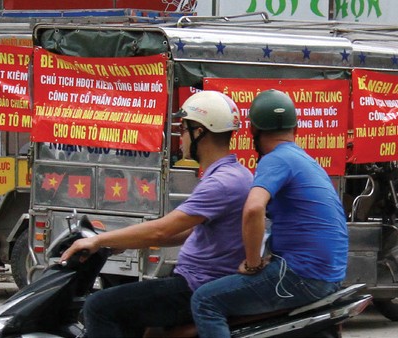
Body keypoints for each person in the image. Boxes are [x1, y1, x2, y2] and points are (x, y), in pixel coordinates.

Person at [59, 90, 253, 337]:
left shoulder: (222, 183)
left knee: (98, 306)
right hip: (198, 279)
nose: (180, 138)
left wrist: (98, 240)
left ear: (200, 132)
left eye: (183, 130)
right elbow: (184, 231)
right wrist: (123, 242)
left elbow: (163, 229)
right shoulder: (234, 174)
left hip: (196, 286)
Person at [190, 89, 349, 337]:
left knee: (205, 301)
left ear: (253, 130)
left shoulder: (275, 160)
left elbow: (253, 208)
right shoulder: (306, 160)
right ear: (296, 130)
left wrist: (253, 263)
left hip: (302, 275)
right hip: (329, 272)